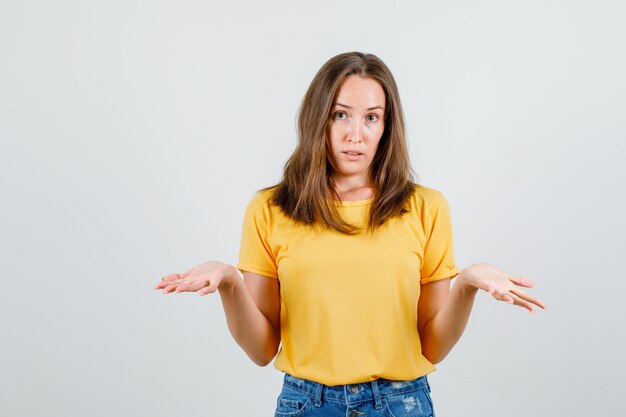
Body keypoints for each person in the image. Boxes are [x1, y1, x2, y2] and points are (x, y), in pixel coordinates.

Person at [154, 51, 546, 417]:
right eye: (340, 115)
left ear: (386, 126)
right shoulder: (269, 209)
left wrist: (466, 284)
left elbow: (432, 347)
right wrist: (229, 282)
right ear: (318, 119)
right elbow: (261, 350)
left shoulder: (427, 207)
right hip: (306, 402)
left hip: (399, 402)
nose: (355, 134)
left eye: (371, 117)